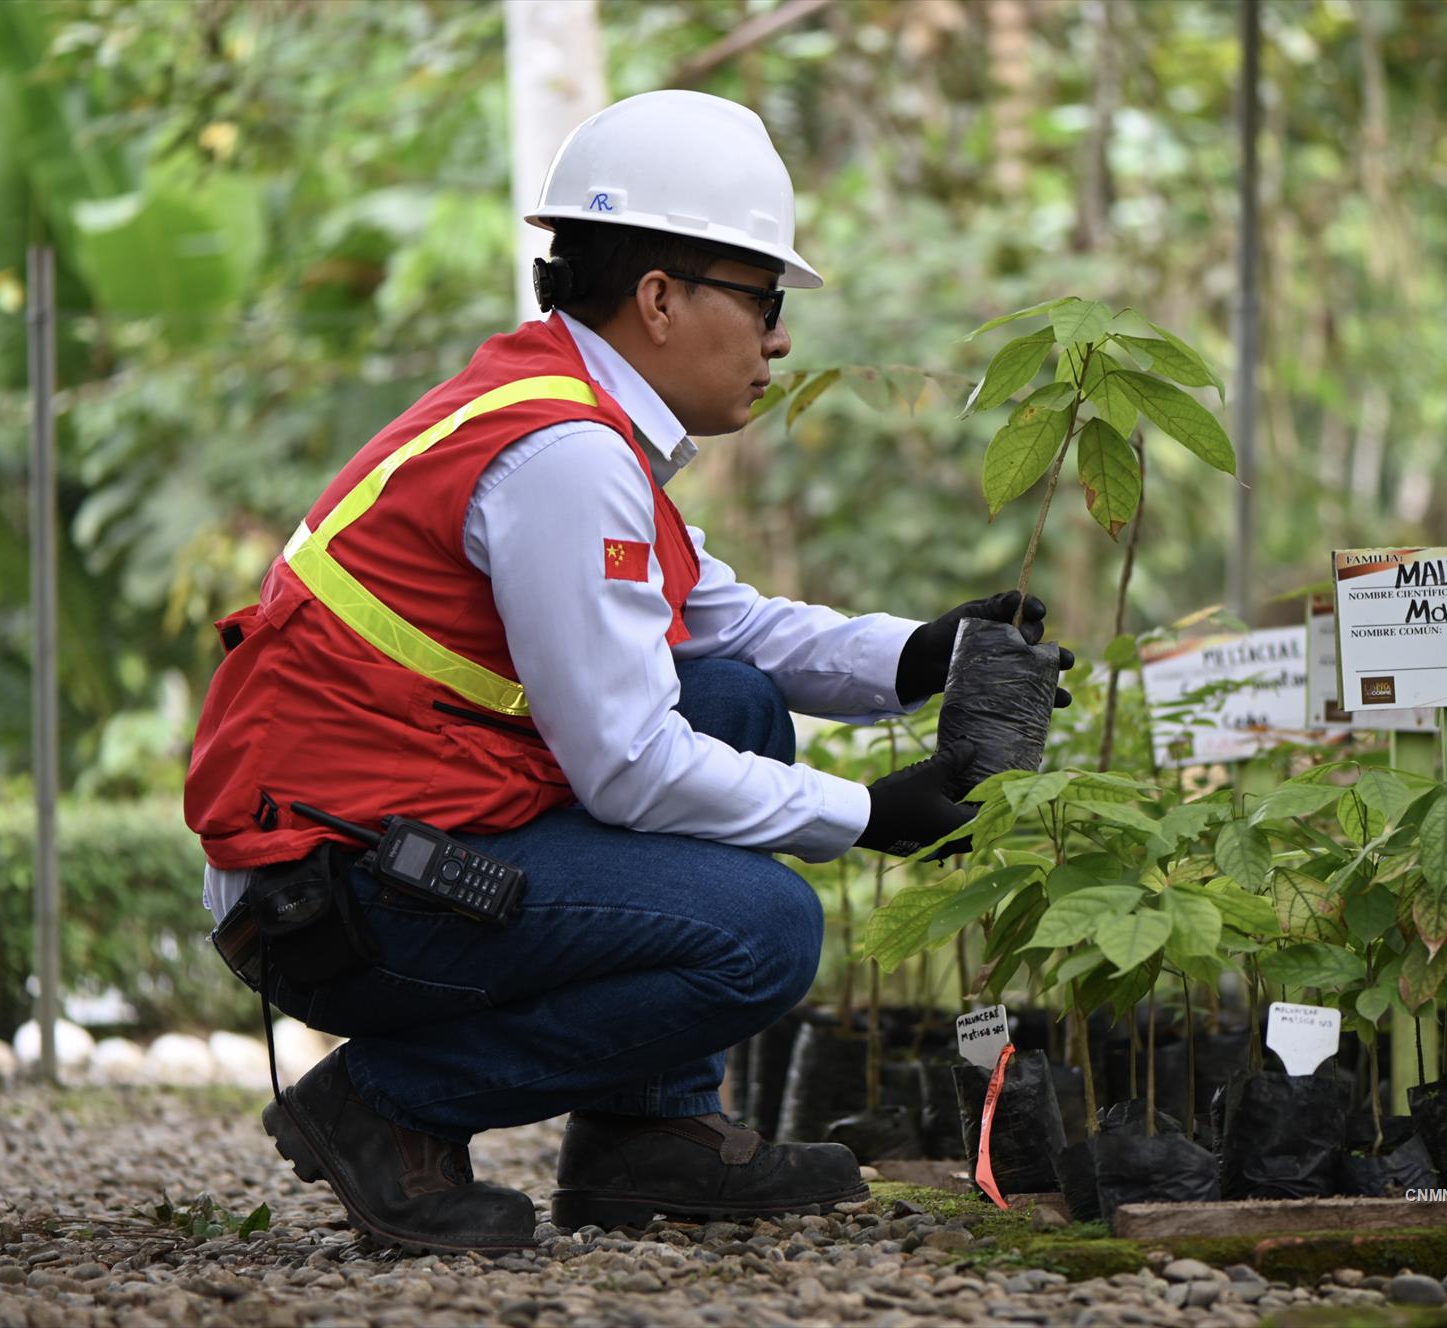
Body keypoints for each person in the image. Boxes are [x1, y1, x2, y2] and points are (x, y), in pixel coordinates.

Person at [184, 90, 1072, 1254]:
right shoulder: (563, 456)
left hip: (379, 839)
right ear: (658, 297)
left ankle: (645, 1132)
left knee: (736, 699)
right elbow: (626, 766)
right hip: (335, 893)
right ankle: (385, 1106)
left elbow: (728, 629)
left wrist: (918, 653)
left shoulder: (567, 413)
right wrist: (866, 812)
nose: (779, 337)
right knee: (763, 929)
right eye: (760, 299)